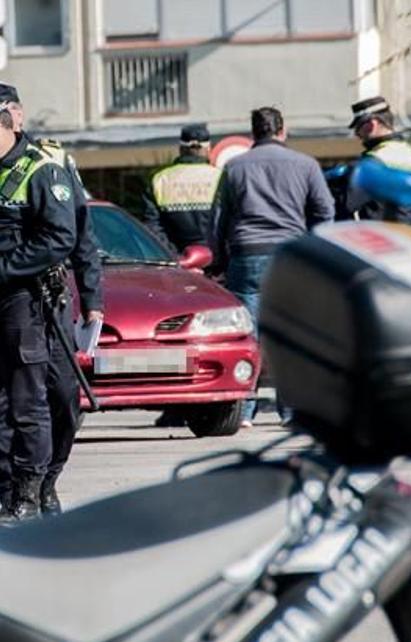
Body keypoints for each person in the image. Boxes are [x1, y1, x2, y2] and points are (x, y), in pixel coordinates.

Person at [0, 86, 79, 526]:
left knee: (30, 404)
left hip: (24, 302)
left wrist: (3, 271)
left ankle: (29, 496)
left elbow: (62, 238)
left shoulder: (43, 169)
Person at [207, 107, 334, 425]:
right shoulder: (305, 165)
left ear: (253, 133)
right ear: (283, 130)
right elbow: (325, 210)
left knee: (247, 337)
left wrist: (220, 261)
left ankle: (245, 410)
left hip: (246, 256)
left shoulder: (235, 167)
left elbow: (219, 220)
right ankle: (290, 411)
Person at [344, 96, 411, 226]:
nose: (357, 133)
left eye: (358, 127)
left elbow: (348, 204)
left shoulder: (374, 160)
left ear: (371, 124)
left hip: (384, 238)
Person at [141, 124, 221, 253]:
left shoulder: (159, 179)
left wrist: (174, 256)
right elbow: (232, 221)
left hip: (178, 263)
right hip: (217, 261)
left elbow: (152, 227)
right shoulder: (221, 177)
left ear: (180, 149)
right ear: (208, 149)